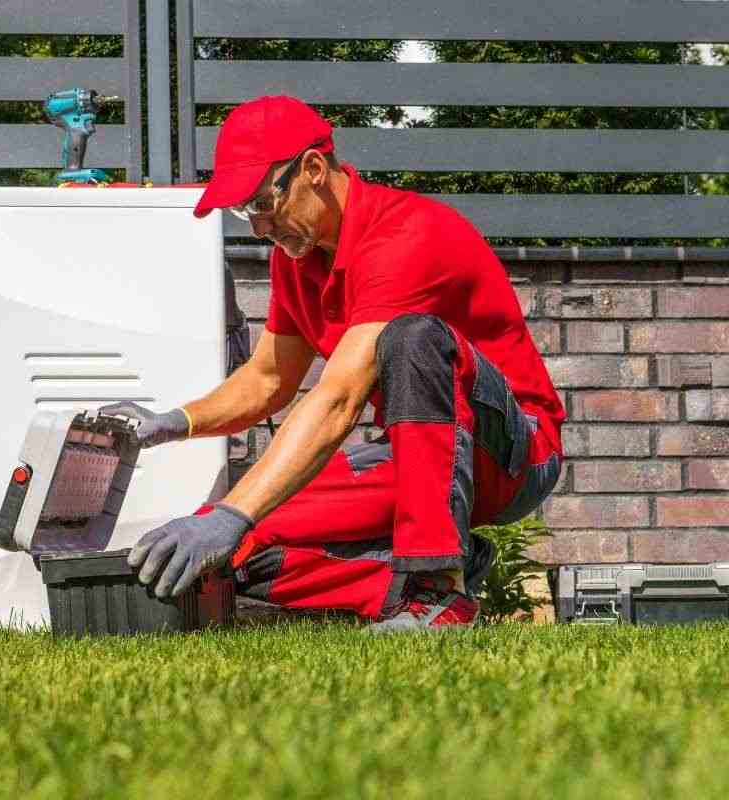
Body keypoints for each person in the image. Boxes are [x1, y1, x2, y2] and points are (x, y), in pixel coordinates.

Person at [102, 95, 564, 632]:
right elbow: (267, 380)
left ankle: (438, 590)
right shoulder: (296, 261)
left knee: (412, 338)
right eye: (243, 212)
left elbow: (339, 397)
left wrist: (235, 511)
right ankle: (425, 576)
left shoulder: (407, 236)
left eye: (261, 204)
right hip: (417, 459)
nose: (256, 227)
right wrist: (174, 423)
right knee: (231, 549)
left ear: (314, 169)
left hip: (513, 454)